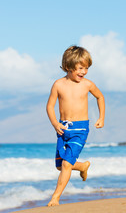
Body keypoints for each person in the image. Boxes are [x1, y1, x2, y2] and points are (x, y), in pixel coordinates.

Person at [46, 45, 105, 206]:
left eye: (86, 68)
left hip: (80, 129)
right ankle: (82, 166)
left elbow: (100, 97)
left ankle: (55, 198)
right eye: (80, 68)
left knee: (66, 164)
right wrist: (55, 123)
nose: (84, 72)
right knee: (60, 166)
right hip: (63, 128)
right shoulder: (58, 85)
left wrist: (101, 117)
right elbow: (50, 106)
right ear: (67, 67)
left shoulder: (87, 84)